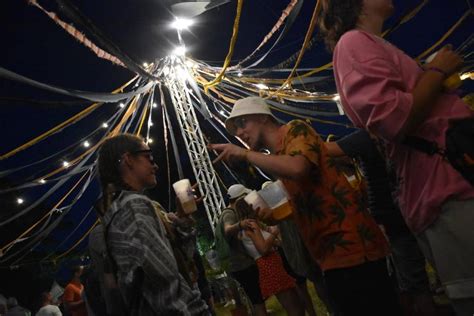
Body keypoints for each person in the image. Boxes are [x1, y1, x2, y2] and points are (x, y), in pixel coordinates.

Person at [319, 0, 474, 314]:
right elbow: (392, 118)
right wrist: (437, 70)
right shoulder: (353, 43)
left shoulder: (367, 44)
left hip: (448, 179)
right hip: (441, 185)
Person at [209, 96, 401, 315]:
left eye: (243, 123)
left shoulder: (295, 130)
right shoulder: (278, 157)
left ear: (263, 116)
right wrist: (274, 217)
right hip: (328, 256)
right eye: (235, 130)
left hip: (353, 246)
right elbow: (307, 198)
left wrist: (245, 154)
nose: (240, 133)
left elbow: (299, 167)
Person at [96, 133, 209, 315]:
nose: (155, 165)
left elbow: (179, 259)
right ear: (128, 160)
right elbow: (166, 284)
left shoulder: (124, 208)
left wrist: (183, 221)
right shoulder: (133, 207)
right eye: (148, 157)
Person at [326, 129, 436, 315]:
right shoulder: (390, 132)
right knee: (411, 274)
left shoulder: (364, 137)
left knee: (410, 279)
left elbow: (321, 150)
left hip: (392, 217)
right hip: (407, 209)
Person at [235, 198, 303, 316]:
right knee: (294, 308)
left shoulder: (249, 226)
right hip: (270, 265)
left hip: (272, 264)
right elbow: (263, 249)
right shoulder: (251, 226)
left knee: (296, 303)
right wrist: (275, 232)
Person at [220, 184, 266, 316]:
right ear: (240, 198)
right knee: (258, 300)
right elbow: (228, 229)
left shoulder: (231, 212)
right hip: (242, 265)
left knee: (256, 298)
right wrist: (241, 224)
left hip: (239, 264)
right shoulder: (229, 213)